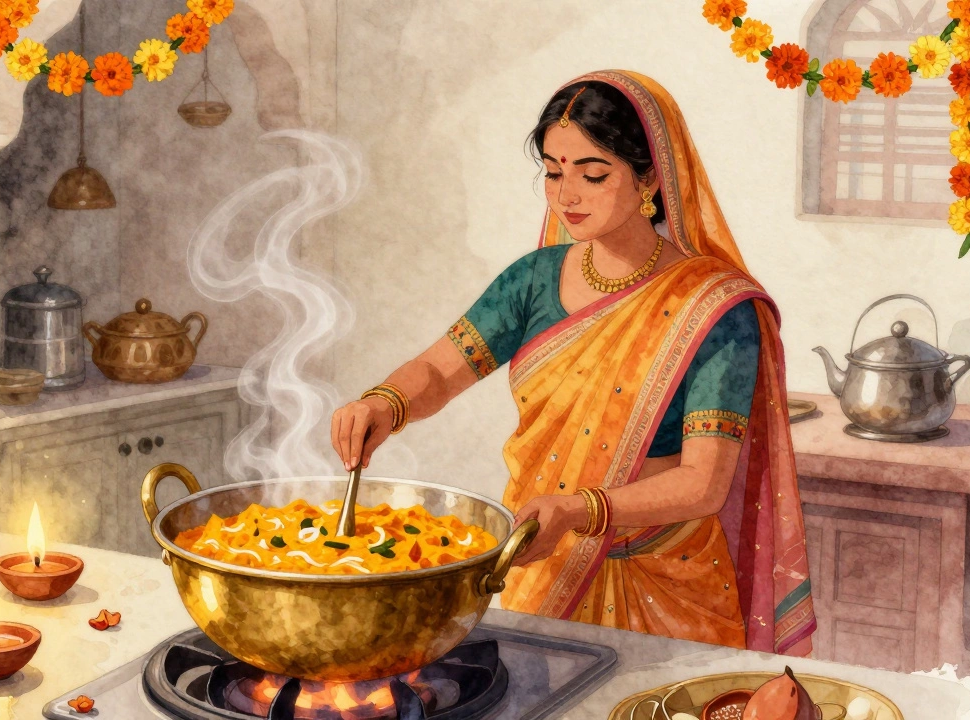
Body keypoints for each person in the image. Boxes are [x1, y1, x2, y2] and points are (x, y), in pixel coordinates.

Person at [329, 70, 815, 656]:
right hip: (544, 569)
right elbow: (439, 370)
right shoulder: (534, 280)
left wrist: (580, 510)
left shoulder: (713, 307)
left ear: (650, 179)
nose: (567, 195)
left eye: (592, 174)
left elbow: (704, 483)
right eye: (554, 173)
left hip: (670, 584)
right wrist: (387, 402)